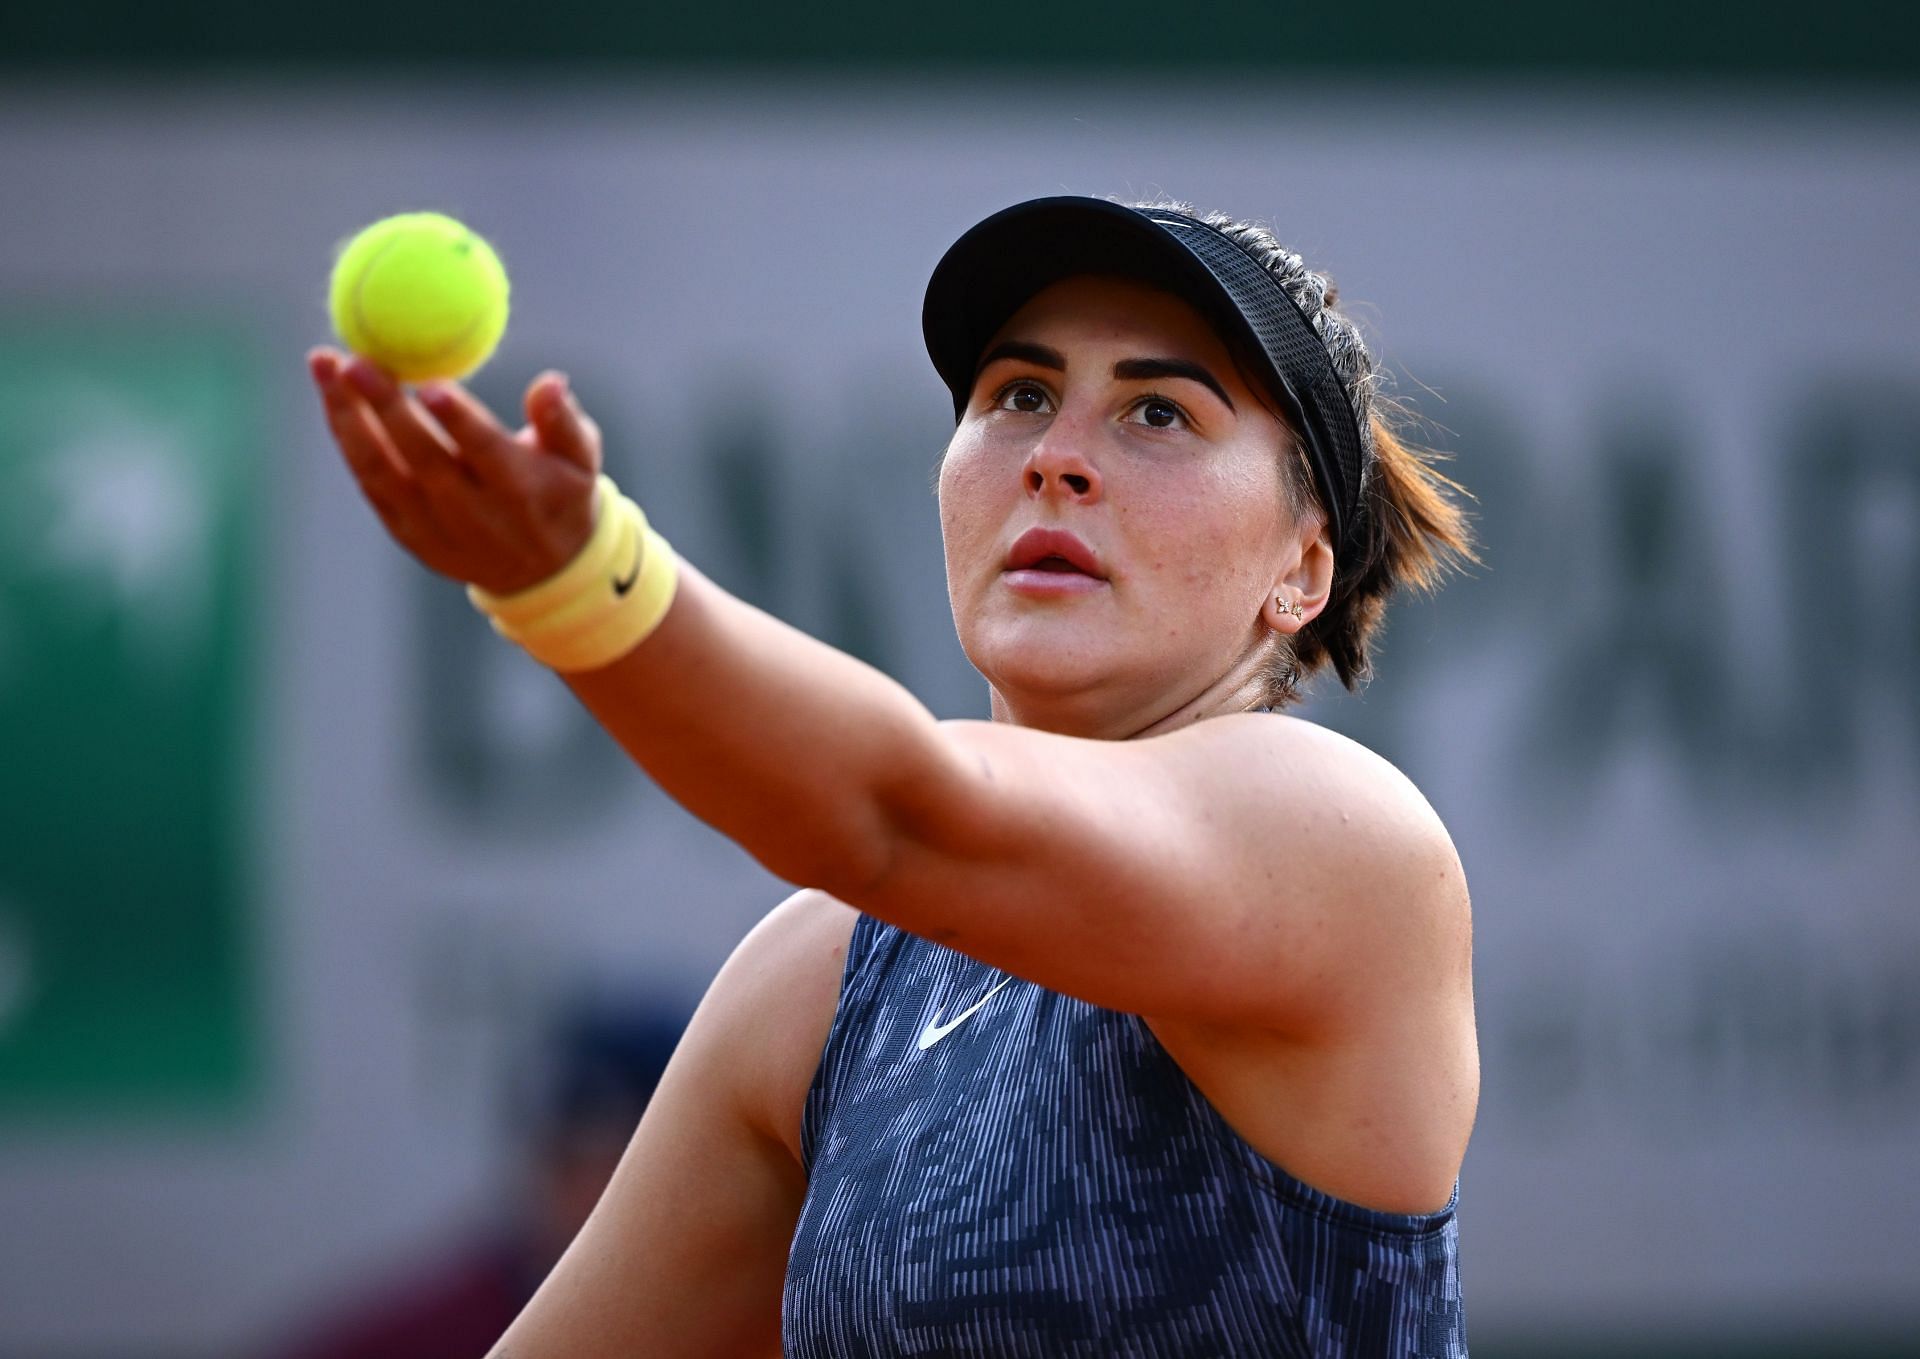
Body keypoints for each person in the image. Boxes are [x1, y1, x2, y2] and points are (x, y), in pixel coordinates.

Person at [308, 195, 1480, 1358]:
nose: (1058, 460)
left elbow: (901, 813)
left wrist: (583, 581)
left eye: (1159, 412)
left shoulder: (1345, 844)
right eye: (1019, 396)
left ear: (1304, 567)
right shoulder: (817, 979)